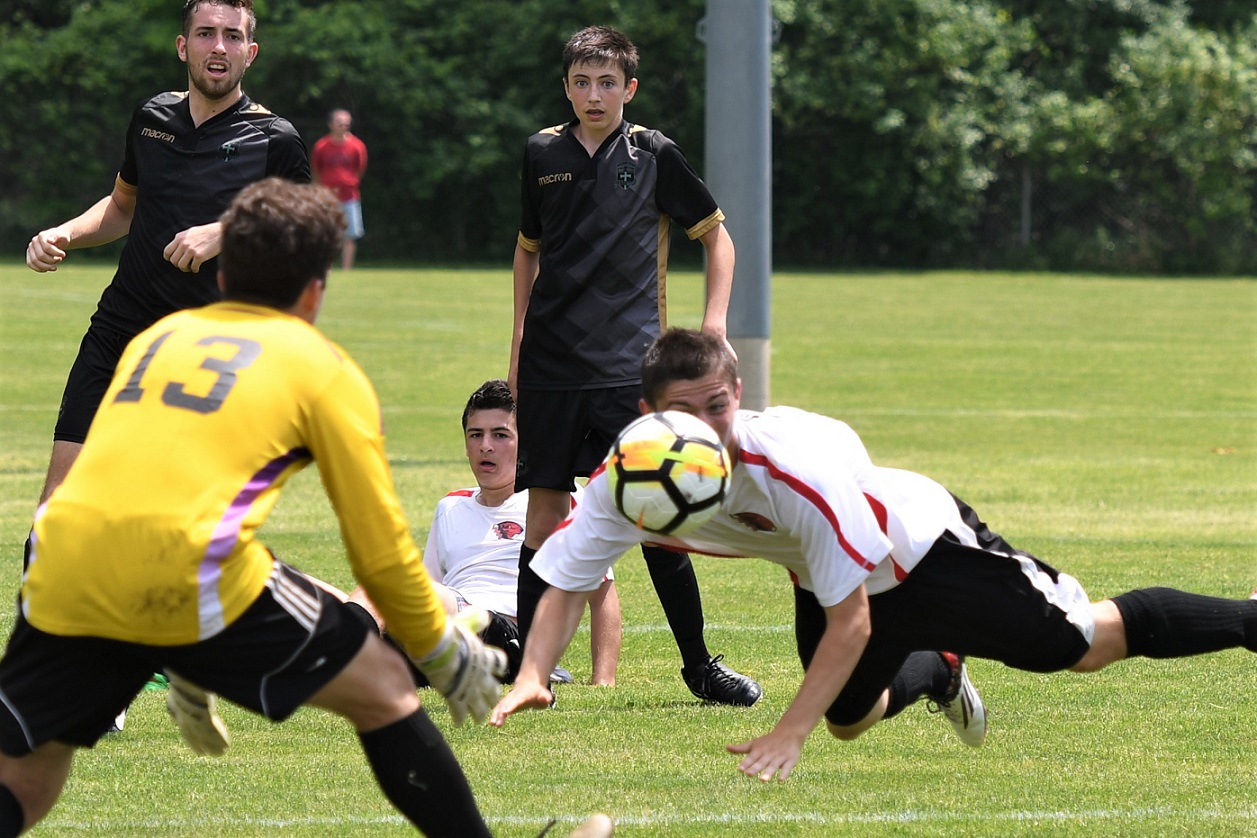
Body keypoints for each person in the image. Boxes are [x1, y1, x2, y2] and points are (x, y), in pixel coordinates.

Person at [0, 178, 613, 838]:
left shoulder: (161, 337)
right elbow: (378, 555)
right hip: (186, 572)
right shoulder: (323, 369)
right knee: (383, 689)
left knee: (28, 779)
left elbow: (135, 485)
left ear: (224, 270)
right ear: (316, 289)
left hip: (60, 558)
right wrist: (439, 652)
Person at [491, 327, 1257, 785]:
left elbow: (851, 622)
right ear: (645, 414)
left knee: (1086, 647)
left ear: (739, 390)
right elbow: (567, 575)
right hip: (823, 573)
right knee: (850, 721)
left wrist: (787, 728)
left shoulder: (790, 468)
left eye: (716, 405)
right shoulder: (632, 476)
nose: (706, 427)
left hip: (922, 548)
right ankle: (941, 668)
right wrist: (531, 676)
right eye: (681, 412)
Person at [508, 24, 760, 707]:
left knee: (656, 513)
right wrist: (517, 347)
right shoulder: (541, 152)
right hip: (552, 367)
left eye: (607, 83)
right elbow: (527, 250)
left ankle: (699, 667)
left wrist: (713, 326)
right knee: (543, 517)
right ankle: (528, 671)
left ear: (629, 88)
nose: (595, 95)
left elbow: (717, 238)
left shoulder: (653, 154)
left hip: (629, 369)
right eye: (582, 82)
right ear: (566, 87)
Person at [22, 0, 310, 576]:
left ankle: (161, 660)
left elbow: (307, 228)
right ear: (184, 47)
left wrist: (225, 231)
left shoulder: (274, 138)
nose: (218, 47)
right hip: (119, 332)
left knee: (174, 520)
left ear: (250, 53)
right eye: (206, 34)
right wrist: (62, 233)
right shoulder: (152, 118)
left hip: (204, 353)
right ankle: (38, 662)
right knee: (60, 507)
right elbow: (122, 207)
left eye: (232, 36)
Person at [346, 378, 622, 686]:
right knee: (317, 594)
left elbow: (602, 594)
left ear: (526, 441)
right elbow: (430, 586)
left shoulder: (556, 501)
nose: (485, 445)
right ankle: (349, 652)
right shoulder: (450, 507)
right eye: (475, 435)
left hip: (509, 638)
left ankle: (345, 653)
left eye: (500, 435)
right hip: (447, 628)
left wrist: (603, 682)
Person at [311, 108, 368, 270]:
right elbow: (316, 169)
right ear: (331, 124)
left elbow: (360, 169)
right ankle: (325, 268)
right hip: (328, 197)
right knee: (327, 235)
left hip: (350, 197)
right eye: (340, 123)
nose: (344, 126)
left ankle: (346, 270)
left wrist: (349, 182)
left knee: (349, 236)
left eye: (346, 123)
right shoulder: (322, 146)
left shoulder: (357, 146)